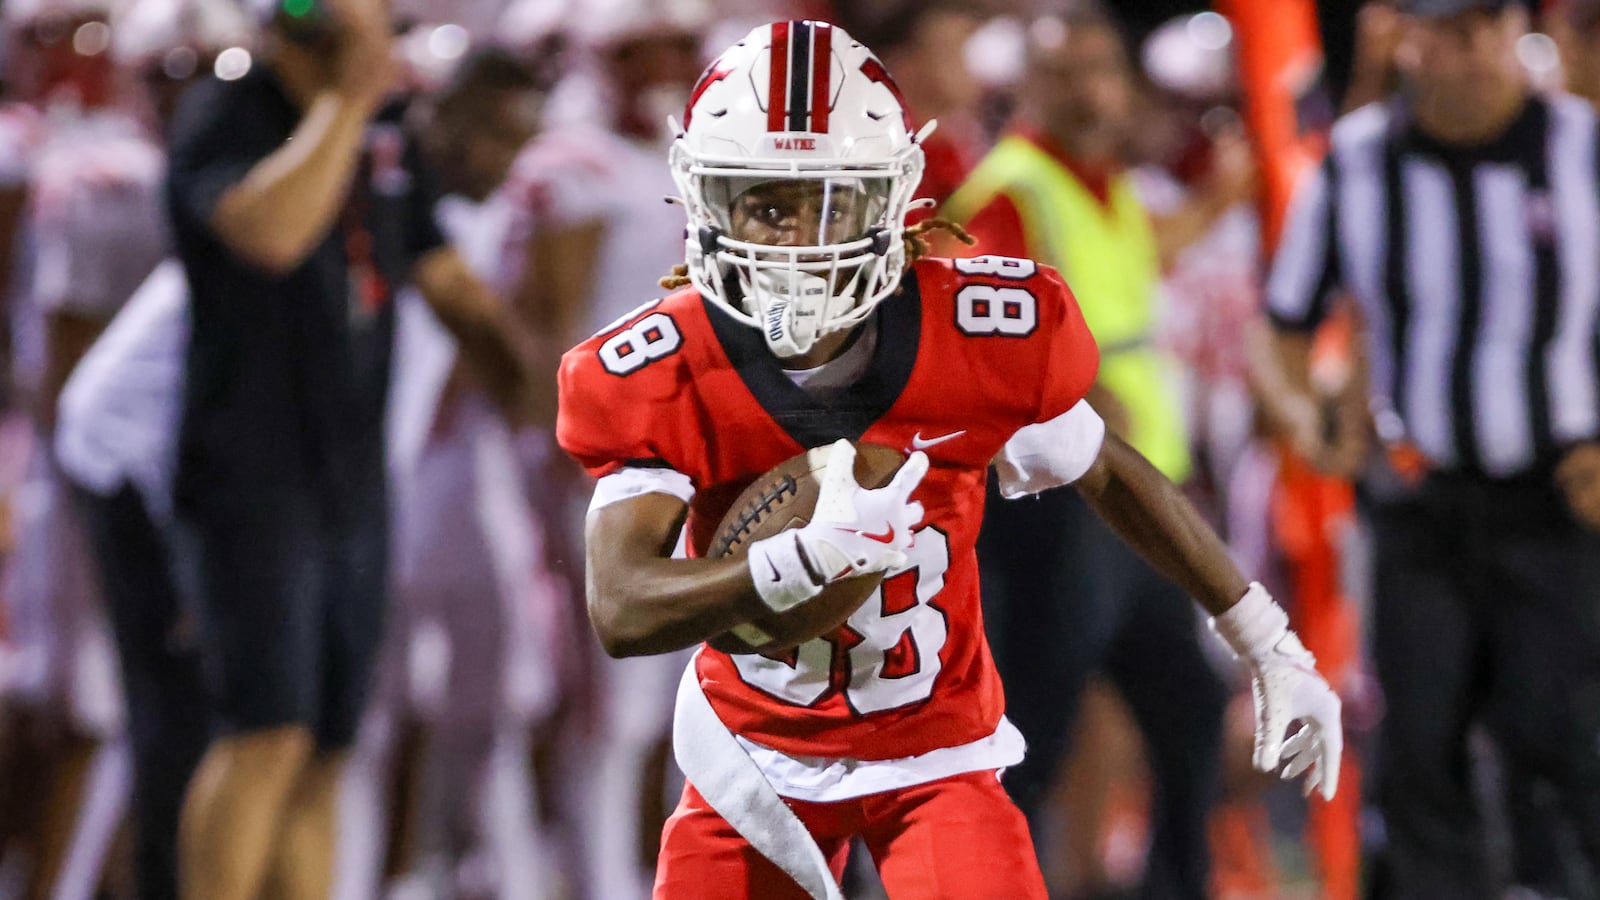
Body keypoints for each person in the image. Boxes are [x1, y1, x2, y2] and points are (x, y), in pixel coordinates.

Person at [556, 20, 1341, 900]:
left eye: (832, 203)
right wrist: (797, 563)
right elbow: (621, 607)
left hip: (936, 756)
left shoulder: (974, 334)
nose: (798, 244)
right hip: (755, 761)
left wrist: (1267, 641)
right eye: (767, 204)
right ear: (705, 201)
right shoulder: (664, 365)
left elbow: (1107, 469)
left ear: (892, 200)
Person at [163, 0, 538, 897]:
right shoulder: (232, 109)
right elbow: (272, 232)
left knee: (329, 741)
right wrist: (345, 105)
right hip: (249, 475)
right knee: (264, 731)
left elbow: (444, 276)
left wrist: (546, 385)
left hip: (351, 474)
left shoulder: (386, 134)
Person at [1257, 0, 1600, 896]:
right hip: (1423, 505)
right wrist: (1305, 416)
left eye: (1487, 24)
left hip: (1561, 501)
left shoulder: (1585, 148)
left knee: (1568, 737)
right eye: (1445, 28)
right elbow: (1282, 325)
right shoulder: (1360, 161)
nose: (1470, 50)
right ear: (1403, 38)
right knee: (1421, 749)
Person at [938, 7, 1253, 894]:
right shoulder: (1012, 188)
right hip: (1057, 508)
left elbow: (1136, 277)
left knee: (1188, 709)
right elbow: (982, 339)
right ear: (1028, 87)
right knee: (1032, 735)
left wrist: (1220, 200)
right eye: (1066, 71)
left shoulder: (1105, 186)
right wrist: (1064, 389)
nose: (1090, 88)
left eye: (1102, 68)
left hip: (1132, 498)